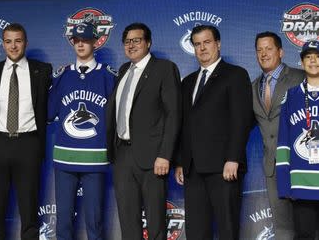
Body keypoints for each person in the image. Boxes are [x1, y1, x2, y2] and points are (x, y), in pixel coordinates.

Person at [174, 25, 253, 240]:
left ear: (218, 44)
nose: (202, 48)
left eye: (206, 42)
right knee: (197, 232)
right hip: (193, 169)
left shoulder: (235, 75)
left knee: (227, 229)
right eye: (197, 44)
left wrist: (233, 158)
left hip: (224, 167)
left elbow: (241, 120)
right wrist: (181, 161)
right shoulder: (188, 81)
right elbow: (183, 125)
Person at [106, 22, 182, 240]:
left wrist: (165, 155)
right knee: (128, 221)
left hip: (153, 157)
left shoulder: (164, 68)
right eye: (127, 41)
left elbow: (173, 114)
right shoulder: (123, 70)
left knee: (156, 221)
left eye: (136, 40)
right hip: (123, 155)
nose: (131, 45)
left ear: (148, 42)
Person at [0, 23, 52, 240]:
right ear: (3, 44)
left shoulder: (42, 70)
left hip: (28, 144)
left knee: (29, 210)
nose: (13, 46)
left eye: (18, 41)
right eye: (9, 41)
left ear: (26, 43)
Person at [48, 22, 116, 240]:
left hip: (95, 158)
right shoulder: (62, 76)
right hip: (65, 157)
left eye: (85, 40)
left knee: (94, 221)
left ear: (95, 42)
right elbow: (49, 113)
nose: (80, 44)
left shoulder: (108, 77)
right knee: (64, 221)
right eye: (76, 40)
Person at [252, 31, 303, 239]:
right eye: (259, 50)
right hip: (273, 168)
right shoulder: (253, 87)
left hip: (302, 164)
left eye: (269, 48)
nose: (264, 54)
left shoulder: (300, 77)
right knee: (282, 226)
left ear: (281, 52)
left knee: (309, 224)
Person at [276, 40, 319, 240]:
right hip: (302, 183)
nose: (313, 61)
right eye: (309, 57)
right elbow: (283, 143)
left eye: (318, 56)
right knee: (304, 235)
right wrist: (285, 184)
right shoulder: (291, 96)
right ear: (301, 63)